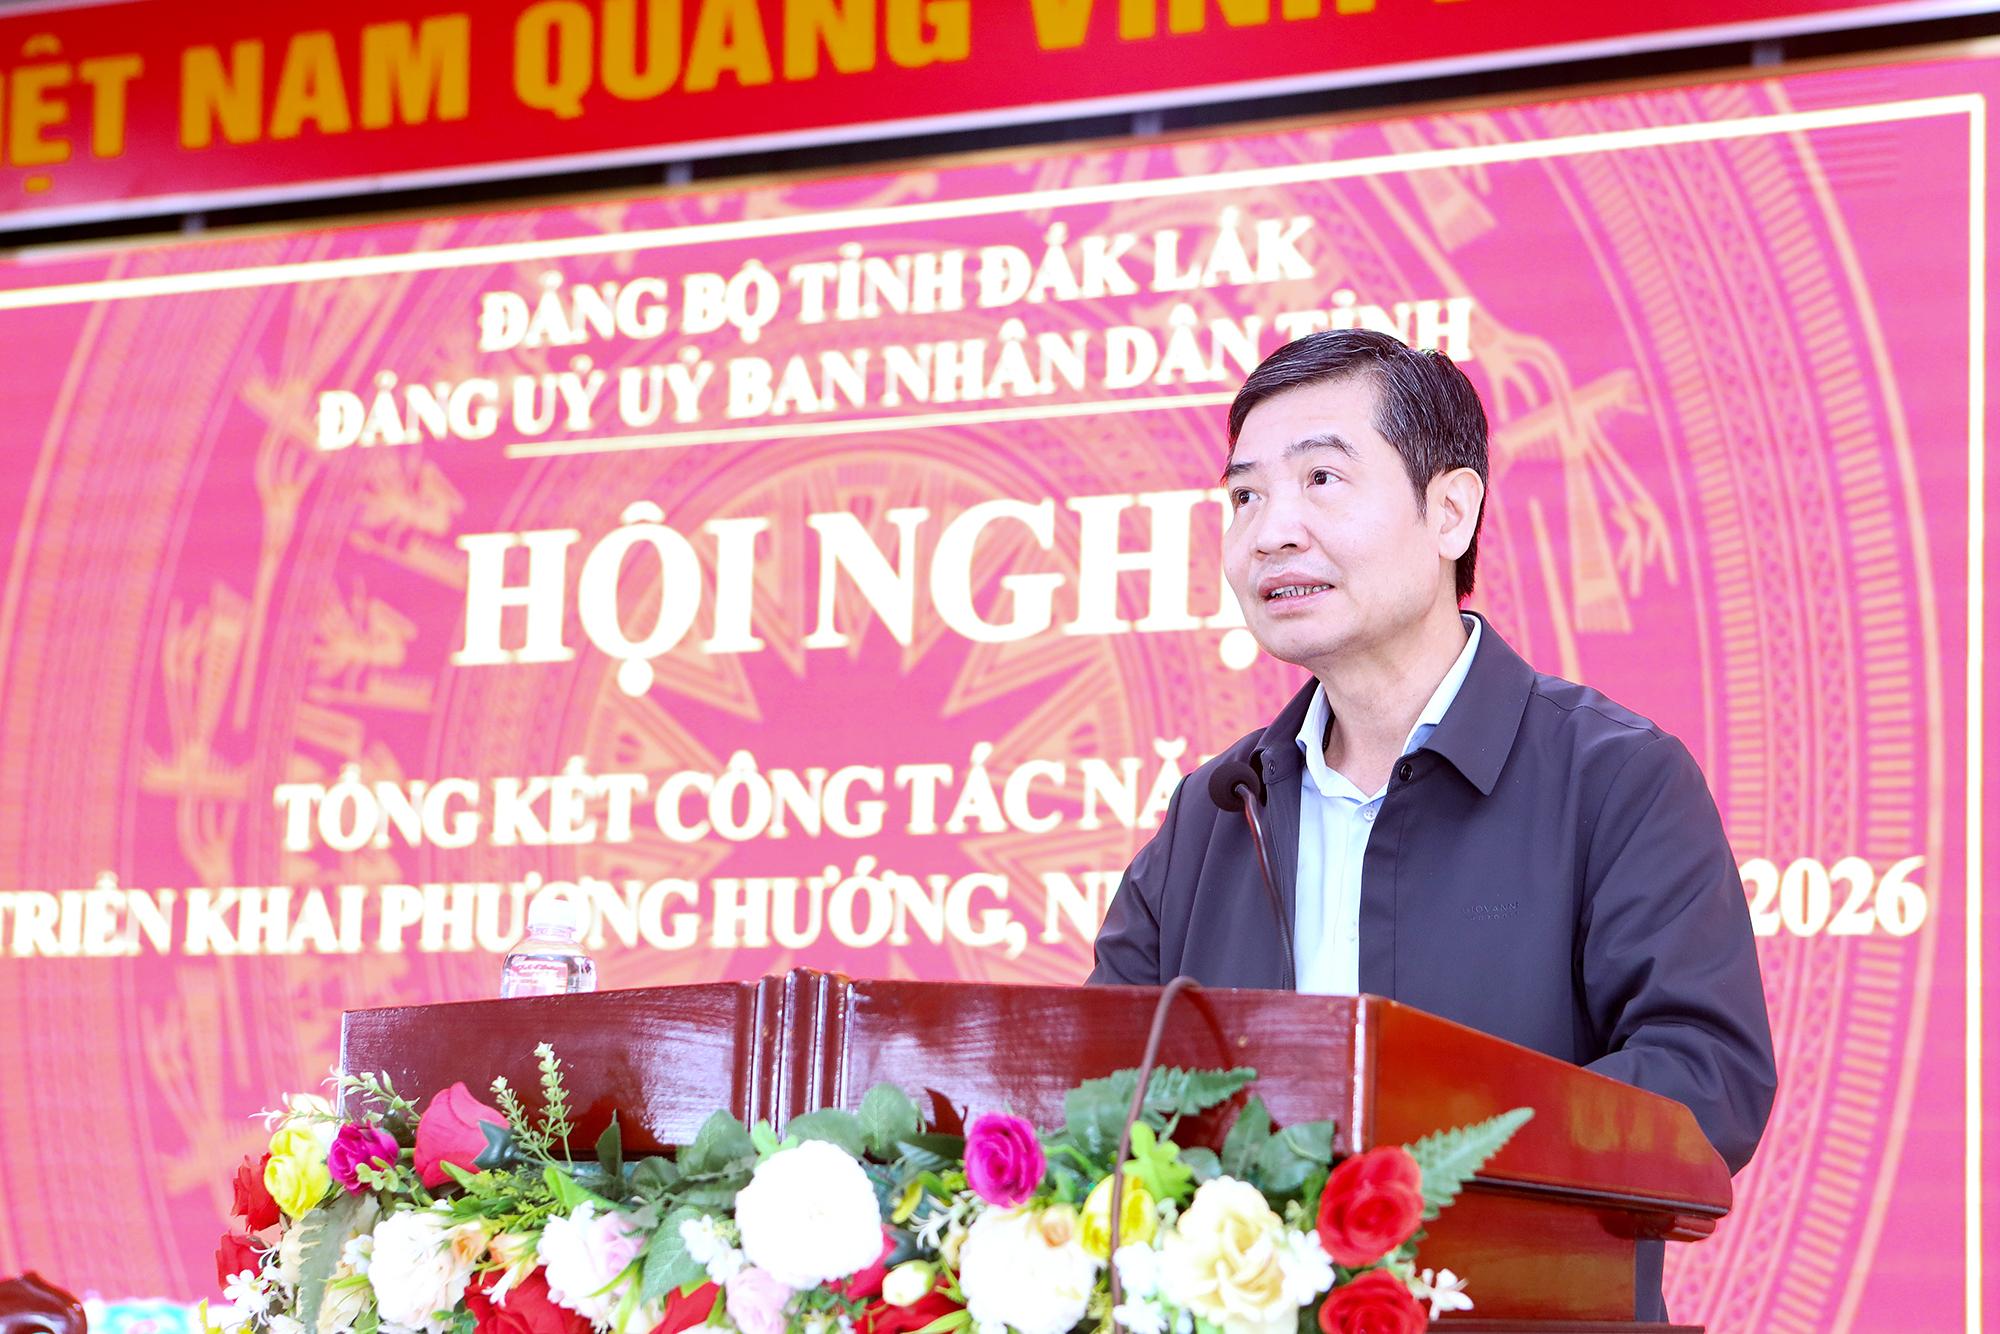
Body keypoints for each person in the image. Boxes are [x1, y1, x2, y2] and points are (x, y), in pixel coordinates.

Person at [1087, 329, 1776, 1323]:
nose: (1271, 532)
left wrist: (1406, 1170)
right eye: (1243, 497)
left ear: (1451, 510)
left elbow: (1702, 1082)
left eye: (1321, 479)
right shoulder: (1219, 807)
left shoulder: (1613, 777)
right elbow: (1096, 1097)